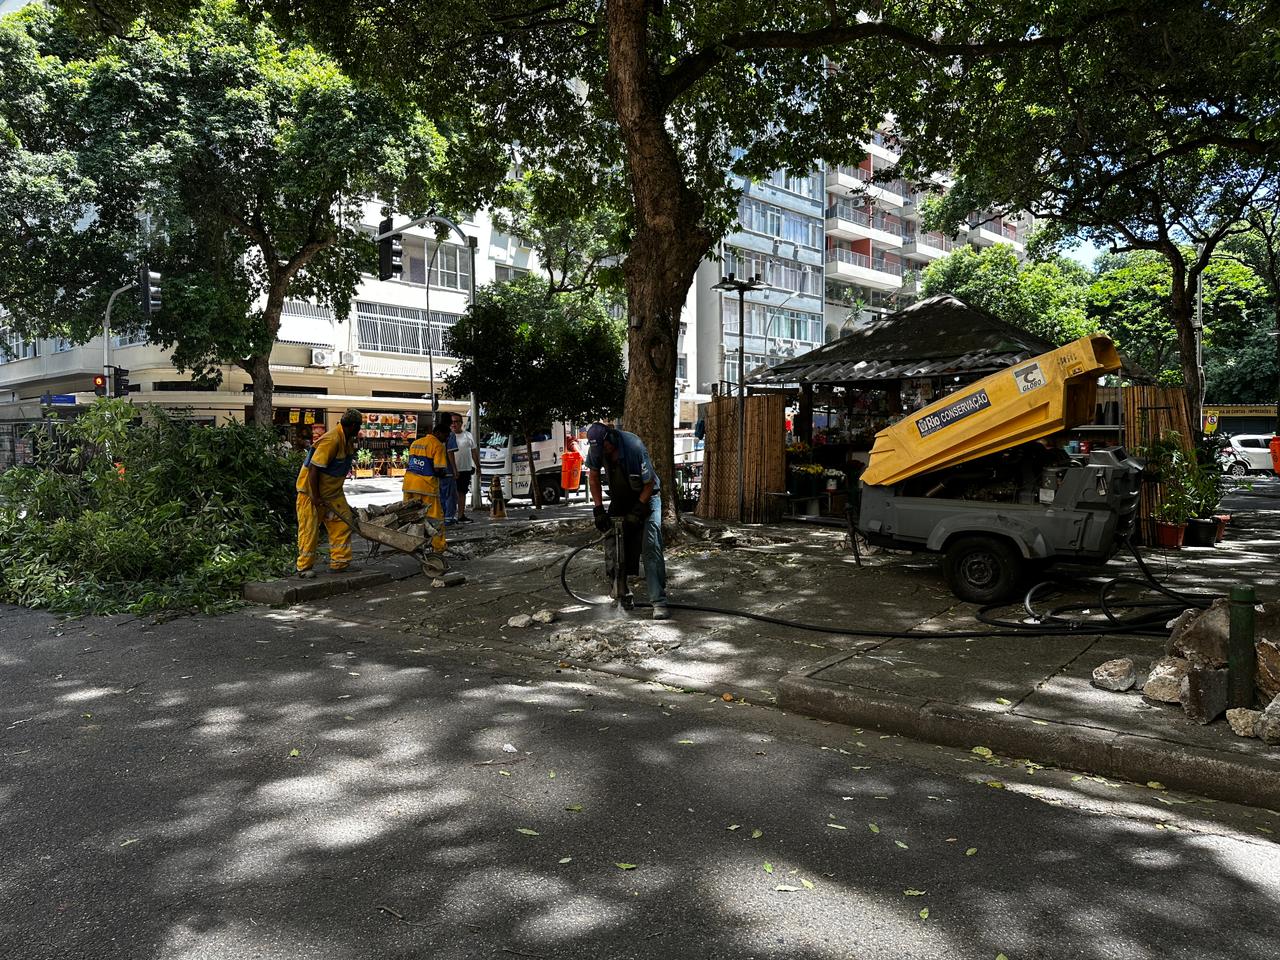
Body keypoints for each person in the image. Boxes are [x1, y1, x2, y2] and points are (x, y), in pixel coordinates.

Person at [585, 422, 669, 620]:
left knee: (650, 545)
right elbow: (594, 478)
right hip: (621, 499)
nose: (602, 451)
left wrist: (638, 511)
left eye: (604, 446)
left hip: (647, 498)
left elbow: (649, 484)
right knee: (614, 544)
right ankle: (622, 595)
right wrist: (598, 509)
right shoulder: (596, 450)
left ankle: (659, 601)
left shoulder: (634, 446)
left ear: (611, 437)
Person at [296, 409, 362, 578]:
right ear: (354, 425)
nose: (359, 429)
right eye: (359, 426)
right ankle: (304, 567)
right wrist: (315, 496)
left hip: (332, 494)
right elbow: (313, 470)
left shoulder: (346, 440)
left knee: (343, 523)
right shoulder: (331, 440)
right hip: (311, 492)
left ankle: (340, 563)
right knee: (310, 530)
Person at [403, 416, 451, 555]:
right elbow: (438, 469)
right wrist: (446, 474)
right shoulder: (437, 445)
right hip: (427, 487)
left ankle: (413, 544)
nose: (446, 439)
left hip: (410, 484)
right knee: (435, 518)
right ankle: (439, 547)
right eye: (446, 436)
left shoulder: (415, 443)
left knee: (412, 517)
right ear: (438, 433)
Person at [451, 414, 477, 523]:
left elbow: (474, 451)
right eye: (452, 422)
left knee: (462, 493)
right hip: (451, 470)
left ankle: (461, 515)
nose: (454, 424)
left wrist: (478, 466)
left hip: (465, 469)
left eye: (456, 422)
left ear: (461, 423)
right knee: (451, 494)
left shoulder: (468, 435)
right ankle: (449, 516)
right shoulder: (448, 437)